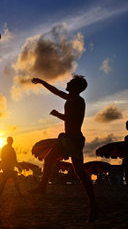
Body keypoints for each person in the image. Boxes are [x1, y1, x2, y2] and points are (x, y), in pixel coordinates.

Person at [30, 75, 98, 222]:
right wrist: (42, 82)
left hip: (75, 140)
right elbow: (54, 90)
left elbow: (74, 120)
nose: (67, 83)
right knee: (48, 159)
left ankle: (94, 205)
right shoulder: (69, 98)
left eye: (70, 82)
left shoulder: (79, 101)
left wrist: (57, 114)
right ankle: (42, 187)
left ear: (75, 87)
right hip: (66, 139)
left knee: (80, 173)